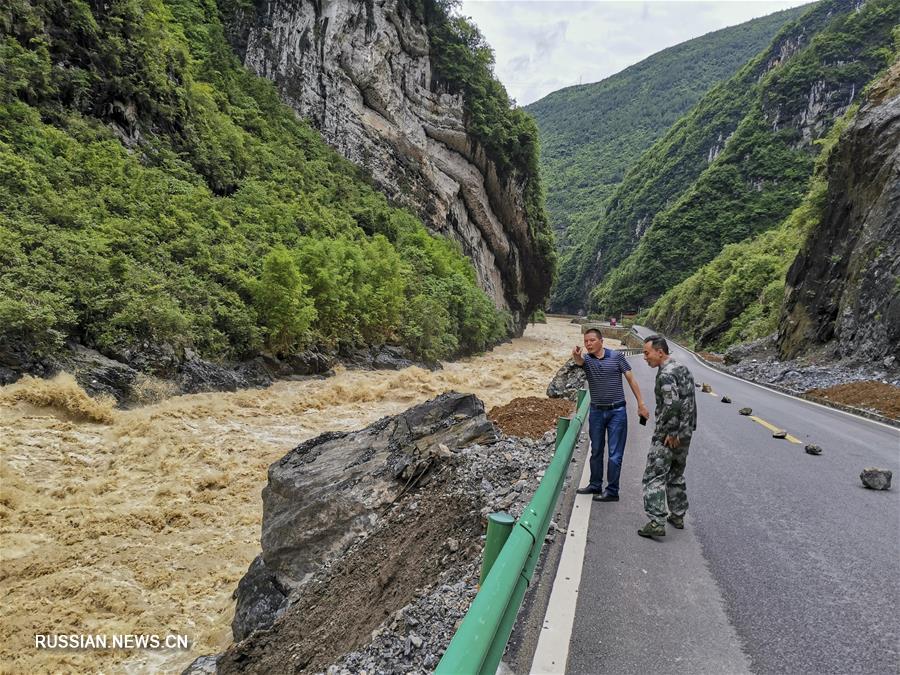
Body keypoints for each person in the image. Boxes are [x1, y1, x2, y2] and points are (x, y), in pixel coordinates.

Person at [572, 328, 649, 502]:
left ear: (601, 341)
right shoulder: (587, 360)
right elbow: (578, 361)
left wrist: (641, 403)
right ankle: (595, 484)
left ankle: (612, 490)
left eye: (591, 340)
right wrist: (576, 354)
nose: (588, 344)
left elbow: (631, 379)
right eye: (586, 341)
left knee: (615, 453)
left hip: (617, 412)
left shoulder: (617, 357)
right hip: (597, 411)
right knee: (596, 450)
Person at [638, 334, 697, 538]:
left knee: (653, 475)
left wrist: (671, 432)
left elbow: (672, 404)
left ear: (659, 352)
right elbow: (688, 401)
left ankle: (656, 521)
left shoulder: (665, 374)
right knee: (676, 473)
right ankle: (678, 515)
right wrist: (682, 430)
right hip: (686, 431)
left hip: (669, 434)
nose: (645, 357)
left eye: (647, 353)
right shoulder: (682, 368)